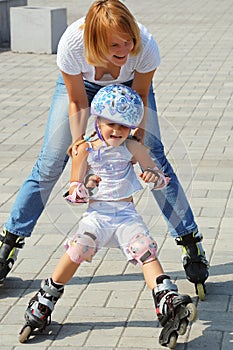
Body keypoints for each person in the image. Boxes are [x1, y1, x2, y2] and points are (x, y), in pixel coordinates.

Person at [0, 0, 208, 298]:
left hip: (129, 95)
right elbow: (77, 103)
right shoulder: (72, 43)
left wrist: (135, 145)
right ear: (96, 41)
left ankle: (191, 241)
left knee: (154, 158)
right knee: (49, 163)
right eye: (115, 45)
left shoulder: (146, 45)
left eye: (129, 41)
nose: (125, 49)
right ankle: (9, 243)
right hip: (83, 89)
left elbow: (140, 98)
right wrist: (78, 144)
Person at [19, 85, 197, 348]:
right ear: (97, 120)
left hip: (126, 216)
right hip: (97, 217)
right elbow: (73, 191)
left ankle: (165, 297)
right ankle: (47, 295)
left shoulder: (133, 147)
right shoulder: (84, 150)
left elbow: (159, 178)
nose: (117, 131)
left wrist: (152, 176)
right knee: (79, 248)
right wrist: (86, 184)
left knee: (144, 248)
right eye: (111, 124)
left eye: (124, 126)